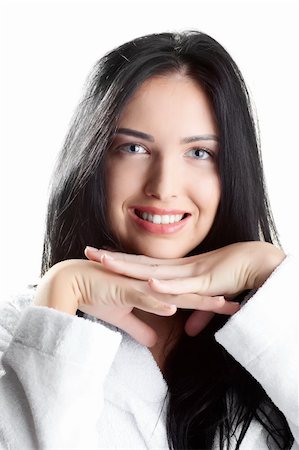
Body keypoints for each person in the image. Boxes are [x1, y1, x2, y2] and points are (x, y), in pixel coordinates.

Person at [0, 30, 297, 450]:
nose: (163, 186)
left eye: (199, 153)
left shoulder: (277, 330)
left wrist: (269, 273)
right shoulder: (15, 334)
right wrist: (60, 296)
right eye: (134, 148)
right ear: (93, 160)